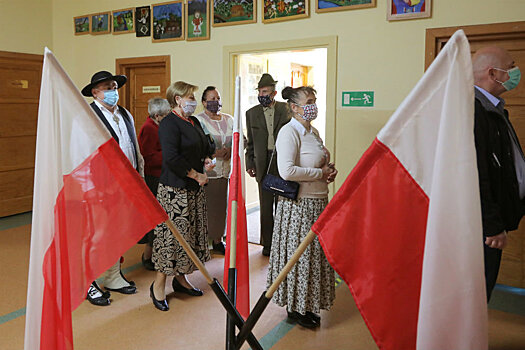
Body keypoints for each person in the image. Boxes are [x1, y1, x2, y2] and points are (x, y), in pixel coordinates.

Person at [266, 86, 338, 328]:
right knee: (300, 257)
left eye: (314, 100)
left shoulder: (313, 131)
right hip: (299, 206)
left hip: (317, 202)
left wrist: (328, 171)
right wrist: (319, 173)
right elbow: (287, 171)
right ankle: (295, 308)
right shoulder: (289, 132)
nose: (313, 105)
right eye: (308, 101)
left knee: (313, 258)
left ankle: (307, 304)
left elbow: (318, 162)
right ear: (294, 107)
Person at [150, 81, 215, 311]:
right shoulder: (168, 123)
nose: (193, 101)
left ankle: (180, 279)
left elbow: (204, 144)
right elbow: (171, 158)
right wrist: (196, 175)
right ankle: (159, 284)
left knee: (189, 237)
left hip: (193, 190)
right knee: (172, 238)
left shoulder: (193, 120)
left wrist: (206, 157)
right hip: (175, 190)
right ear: (177, 99)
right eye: (189, 97)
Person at [81, 70, 144, 306]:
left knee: (117, 232)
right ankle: (88, 282)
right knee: (96, 236)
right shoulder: (88, 116)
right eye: (107, 87)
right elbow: (83, 154)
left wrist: (139, 177)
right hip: (99, 186)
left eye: (114, 87)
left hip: (125, 184)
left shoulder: (124, 113)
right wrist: (89, 188)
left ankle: (112, 276)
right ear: (95, 92)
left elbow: (133, 148)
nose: (112, 91)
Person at [472, 46, 524, 302]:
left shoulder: (493, 108)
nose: (516, 72)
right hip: (482, 228)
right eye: (511, 66)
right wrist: (492, 225)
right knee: (477, 292)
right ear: (493, 73)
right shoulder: (474, 111)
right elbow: (476, 174)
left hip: (491, 222)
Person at [245, 73, 290, 256]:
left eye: (265, 91)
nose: (262, 94)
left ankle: (283, 241)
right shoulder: (252, 114)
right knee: (265, 206)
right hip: (263, 163)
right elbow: (250, 144)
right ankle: (268, 243)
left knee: (282, 204)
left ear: (274, 93)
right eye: (260, 91)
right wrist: (250, 162)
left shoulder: (286, 109)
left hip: (282, 162)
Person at [196, 86, 233, 255]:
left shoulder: (229, 119)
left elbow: (242, 140)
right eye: (211, 99)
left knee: (221, 207)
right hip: (207, 171)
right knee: (206, 207)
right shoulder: (198, 120)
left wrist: (230, 151)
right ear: (204, 102)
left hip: (225, 171)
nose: (215, 102)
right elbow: (196, 144)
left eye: (217, 98)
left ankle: (218, 239)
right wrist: (213, 152)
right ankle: (203, 241)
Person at [138, 97, 171, 270]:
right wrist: (170, 155)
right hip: (153, 177)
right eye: (166, 115)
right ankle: (148, 256)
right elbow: (148, 155)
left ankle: (153, 254)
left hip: (161, 174)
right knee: (155, 217)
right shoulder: (149, 129)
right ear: (157, 116)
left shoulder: (156, 126)